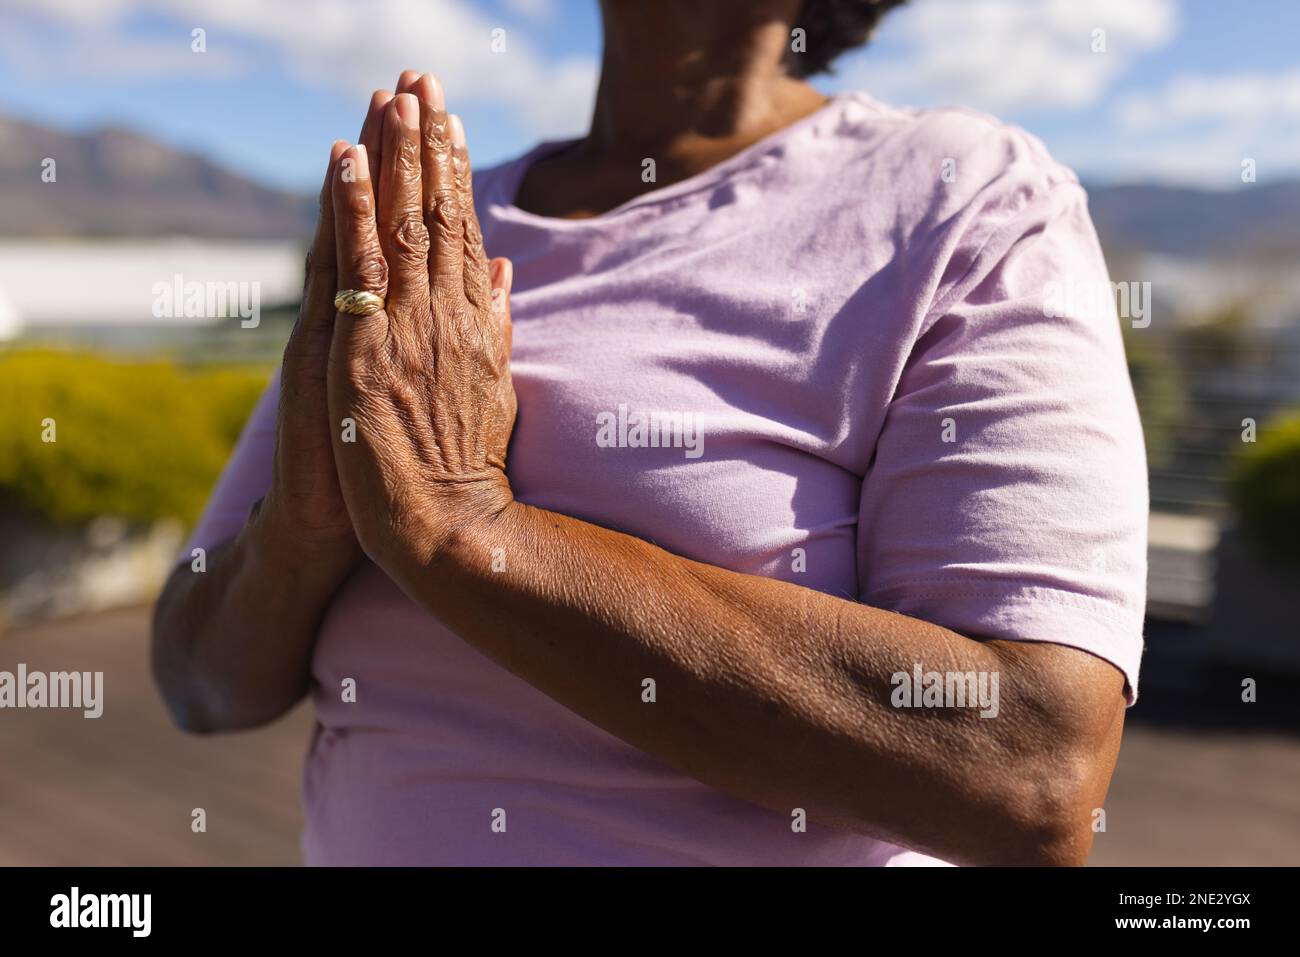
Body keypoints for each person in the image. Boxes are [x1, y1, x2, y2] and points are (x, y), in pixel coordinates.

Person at [152, 0, 1148, 866]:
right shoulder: (421, 222)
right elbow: (199, 681)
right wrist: (311, 523)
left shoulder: (964, 200)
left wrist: (462, 529)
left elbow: (1029, 771)